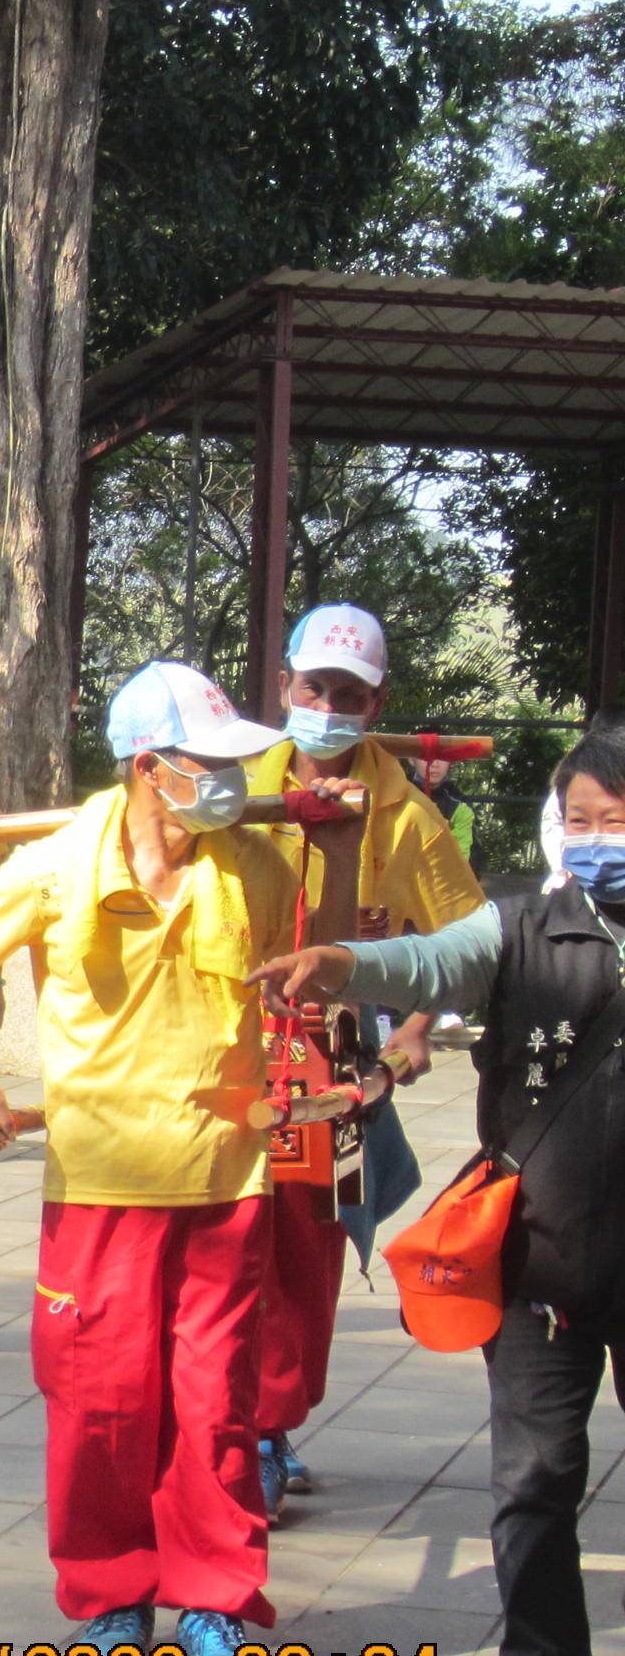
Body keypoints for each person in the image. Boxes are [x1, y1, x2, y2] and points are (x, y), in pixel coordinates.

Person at [0, 661, 359, 1656]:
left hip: (224, 1178)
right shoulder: (58, 863)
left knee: (216, 1402)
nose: (228, 781)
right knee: (98, 1404)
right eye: (206, 763)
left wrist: (339, 854)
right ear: (148, 767)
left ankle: (216, 1600)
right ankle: (108, 1597)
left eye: (232, 764)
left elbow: (324, 955)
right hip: (97, 1183)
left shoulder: (251, 865)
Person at [251, 723, 625, 1656]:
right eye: (581, 820)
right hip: (541, 1265)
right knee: (532, 1484)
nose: (597, 839)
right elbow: (430, 959)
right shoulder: (522, 929)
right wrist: (342, 962)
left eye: (617, 820)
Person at [242, 603, 482, 1512]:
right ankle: (225, 1419)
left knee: (306, 1247)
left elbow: (469, 941)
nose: (328, 710)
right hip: (223, 1042)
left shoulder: (407, 816)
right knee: (223, 1241)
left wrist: (415, 1027)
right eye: (315, 689)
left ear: (377, 705)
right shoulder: (235, 786)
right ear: (284, 686)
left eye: (349, 696)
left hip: (330, 1057)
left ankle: (267, 1427)